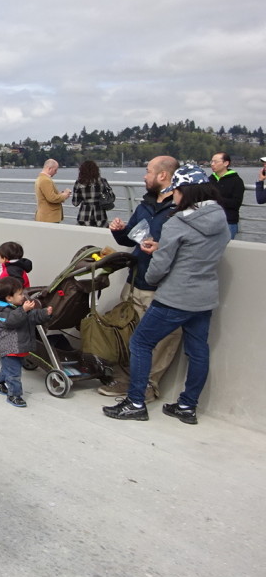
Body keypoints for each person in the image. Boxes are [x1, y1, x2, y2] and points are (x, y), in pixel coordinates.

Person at [103, 165, 230, 424]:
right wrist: (165, 247)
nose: (176, 197)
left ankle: (136, 402)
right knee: (198, 351)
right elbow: (198, 250)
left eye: (177, 192)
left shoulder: (178, 221)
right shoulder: (220, 219)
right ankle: (187, 407)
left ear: (185, 192)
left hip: (174, 297)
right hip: (204, 297)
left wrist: (155, 264)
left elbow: (159, 268)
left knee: (140, 343)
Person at [101, 156, 181, 401]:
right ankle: (125, 380)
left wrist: (160, 248)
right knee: (129, 336)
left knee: (160, 340)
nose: (144, 176)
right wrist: (119, 231)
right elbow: (131, 238)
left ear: (162, 175)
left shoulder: (180, 208)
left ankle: (148, 385)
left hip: (163, 287)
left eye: (147, 171)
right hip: (136, 279)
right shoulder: (145, 204)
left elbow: (185, 247)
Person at [0, 276, 53, 408]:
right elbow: (12, 321)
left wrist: (45, 313)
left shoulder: (19, 307)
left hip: (19, 346)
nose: (23, 296)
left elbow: (33, 316)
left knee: (8, 370)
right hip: (10, 347)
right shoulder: (2, 311)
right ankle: (14, 395)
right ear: (9, 298)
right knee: (14, 374)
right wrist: (23, 310)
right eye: (20, 294)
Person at [208, 152, 244, 239]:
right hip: (209, 221)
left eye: (216, 162)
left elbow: (236, 203)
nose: (212, 164)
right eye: (211, 162)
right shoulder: (209, 180)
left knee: (227, 250)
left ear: (226, 163)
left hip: (228, 222)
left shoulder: (236, 181)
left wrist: (216, 200)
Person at [71, 160, 115, 227]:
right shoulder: (102, 181)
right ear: (96, 170)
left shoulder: (79, 183)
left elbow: (75, 203)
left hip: (84, 215)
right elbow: (112, 196)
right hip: (100, 214)